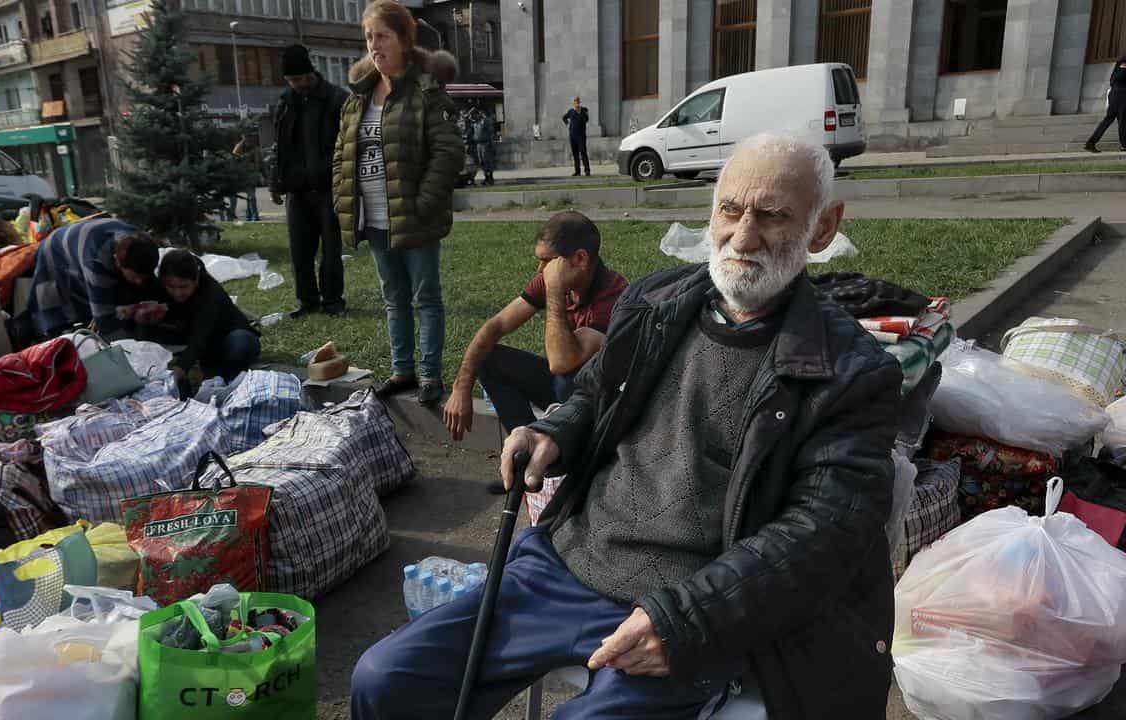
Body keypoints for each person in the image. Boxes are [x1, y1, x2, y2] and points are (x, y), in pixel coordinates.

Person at [350, 133, 904, 719]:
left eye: (773, 216)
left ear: (822, 228)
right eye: (730, 210)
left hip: (690, 603)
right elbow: (593, 392)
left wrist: (686, 620)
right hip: (569, 563)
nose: (743, 237)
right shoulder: (656, 303)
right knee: (384, 680)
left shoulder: (852, 373)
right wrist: (555, 432)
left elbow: (822, 535)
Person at [334, 0, 464, 406]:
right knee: (393, 298)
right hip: (373, 217)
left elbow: (448, 153)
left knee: (425, 297)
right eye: (369, 37)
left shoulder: (425, 91)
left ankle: (429, 374)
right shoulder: (358, 97)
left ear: (404, 40)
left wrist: (424, 201)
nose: (375, 45)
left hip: (414, 217)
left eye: (383, 36)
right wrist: (344, 198)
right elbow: (341, 153)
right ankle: (401, 370)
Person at [442, 211, 628, 491]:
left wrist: (554, 289)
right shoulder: (553, 277)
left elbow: (561, 362)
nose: (541, 271)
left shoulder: (613, 296)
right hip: (566, 385)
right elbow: (494, 326)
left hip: (595, 402)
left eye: (547, 262)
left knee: (568, 378)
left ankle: (569, 469)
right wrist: (461, 386)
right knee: (490, 359)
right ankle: (524, 459)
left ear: (579, 259)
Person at [270, 44, 349, 318]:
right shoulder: (284, 102)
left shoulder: (337, 99)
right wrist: (275, 181)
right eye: (292, 80)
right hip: (296, 189)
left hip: (328, 187)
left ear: (311, 72)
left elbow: (349, 145)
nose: (298, 84)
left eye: (301, 79)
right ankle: (307, 300)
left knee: (330, 249)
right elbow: (278, 146)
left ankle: (332, 300)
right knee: (300, 250)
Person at [27, 217, 161, 339]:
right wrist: (128, 349)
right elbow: (105, 320)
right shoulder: (96, 261)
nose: (139, 282)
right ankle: (39, 335)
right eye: (135, 277)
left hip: (92, 236)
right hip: (56, 250)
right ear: (117, 263)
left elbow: (149, 285)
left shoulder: (143, 245)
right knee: (61, 311)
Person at [151, 249, 262, 390]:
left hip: (228, 340)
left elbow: (201, 334)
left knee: (239, 342)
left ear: (196, 281)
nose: (177, 293)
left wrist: (180, 369)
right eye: (171, 287)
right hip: (205, 348)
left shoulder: (210, 294)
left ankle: (231, 379)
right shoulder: (162, 291)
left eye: (184, 286)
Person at [1085, 54, 1126, 153]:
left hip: (1118, 94)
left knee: (1110, 119)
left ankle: (1091, 142)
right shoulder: (1124, 62)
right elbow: (1119, 76)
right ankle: (1124, 145)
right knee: (1122, 119)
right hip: (1120, 94)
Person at [229, 131, 261, 222]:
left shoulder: (254, 148)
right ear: (243, 137)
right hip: (241, 176)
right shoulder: (238, 148)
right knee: (249, 197)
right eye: (247, 137)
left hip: (251, 176)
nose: (249, 139)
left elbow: (258, 163)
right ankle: (252, 216)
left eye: (250, 137)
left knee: (251, 197)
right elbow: (234, 162)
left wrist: (258, 174)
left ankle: (251, 216)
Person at [562, 96, 591, 176]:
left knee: (583, 152)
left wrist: (579, 112)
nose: (576, 103)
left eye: (577, 102)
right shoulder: (571, 111)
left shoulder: (584, 110)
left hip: (581, 136)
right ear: (573, 103)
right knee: (575, 154)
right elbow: (564, 117)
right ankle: (577, 171)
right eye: (575, 102)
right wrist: (567, 124)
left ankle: (587, 170)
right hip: (572, 136)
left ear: (579, 102)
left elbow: (586, 120)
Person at [472, 104, 498, 186]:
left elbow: (490, 133)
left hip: (485, 144)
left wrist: (491, 144)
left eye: (475, 114)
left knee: (487, 162)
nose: (473, 116)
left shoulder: (485, 121)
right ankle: (486, 178)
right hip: (478, 144)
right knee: (482, 162)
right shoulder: (476, 123)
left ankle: (490, 178)